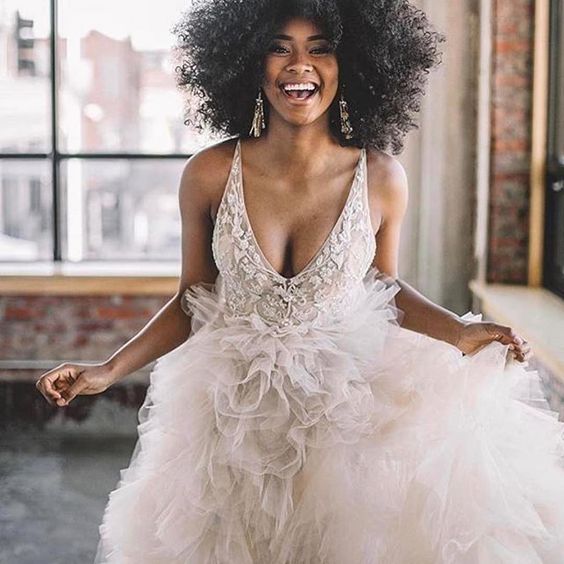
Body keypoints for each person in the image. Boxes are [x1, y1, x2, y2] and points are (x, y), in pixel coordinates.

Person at [36, 0, 564, 562]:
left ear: (354, 64)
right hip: (228, 420)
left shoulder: (382, 177)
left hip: (343, 414)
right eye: (278, 46)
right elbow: (193, 302)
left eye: (320, 49)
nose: (299, 64)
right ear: (248, 62)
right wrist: (107, 371)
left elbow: (384, 288)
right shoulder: (210, 173)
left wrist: (459, 336)